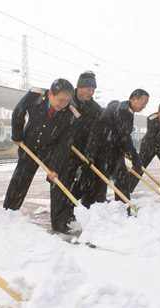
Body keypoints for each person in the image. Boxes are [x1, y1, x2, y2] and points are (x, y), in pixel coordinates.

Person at [3, 79, 76, 233]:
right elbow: (18, 111)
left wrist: (55, 167)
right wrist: (17, 135)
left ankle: (59, 222)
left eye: (67, 101)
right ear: (50, 94)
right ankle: (8, 213)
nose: (63, 104)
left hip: (51, 149)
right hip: (30, 145)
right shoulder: (35, 95)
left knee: (59, 179)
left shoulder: (71, 113)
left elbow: (65, 144)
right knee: (20, 179)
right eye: (60, 100)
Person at [89, 89, 149, 212]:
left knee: (113, 180)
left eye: (146, 103)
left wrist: (129, 153)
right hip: (105, 149)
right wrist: (135, 158)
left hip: (109, 148)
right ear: (133, 99)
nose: (144, 106)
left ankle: (116, 208)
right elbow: (124, 137)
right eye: (143, 102)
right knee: (113, 180)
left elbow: (121, 135)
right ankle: (105, 210)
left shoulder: (124, 108)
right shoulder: (124, 110)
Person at [67, 71, 103, 208]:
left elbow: (95, 133)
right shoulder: (67, 102)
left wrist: (90, 154)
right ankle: (65, 208)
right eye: (89, 89)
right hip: (67, 149)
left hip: (84, 149)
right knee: (65, 181)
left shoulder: (95, 109)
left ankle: (87, 207)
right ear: (79, 87)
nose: (91, 92)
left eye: (93, 89)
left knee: (86, 179)